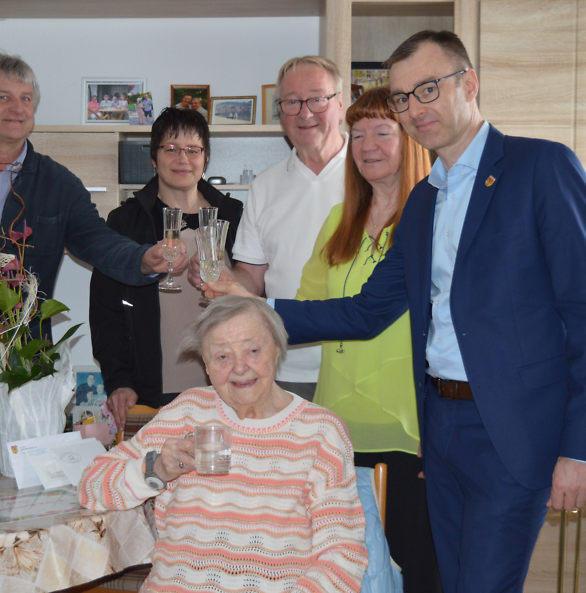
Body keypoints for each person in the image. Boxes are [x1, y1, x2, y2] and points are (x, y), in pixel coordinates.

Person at [210, 30, 586, 593]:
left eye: (429, 88)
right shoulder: (425, 200)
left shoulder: (540, 167)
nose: (416, 108)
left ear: (470, 84)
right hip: (440, 430)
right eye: (404, 97)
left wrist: (578, 449)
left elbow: (581, 311)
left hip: (512, 431)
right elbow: (366, 312)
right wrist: (253, 307)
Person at [79, 296, 367, 593]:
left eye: (253, 350)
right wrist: (157, 469)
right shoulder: (187, 411)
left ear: (277, 349)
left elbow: (342, 556)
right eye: (222, 356)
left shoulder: (320, 432)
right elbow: (91, 485)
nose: (240, 367)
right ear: (205, 364)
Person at [0, 51, 186, 303]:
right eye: (4, 97)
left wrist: (143, 258)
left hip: (20, 349)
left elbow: (99, 242)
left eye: (26, 99)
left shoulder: (59, 184)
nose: (17, 109)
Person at [295, 85, 439, 593]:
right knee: (349, 572)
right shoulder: (339, 221)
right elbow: (309, 309)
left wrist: (439, 432)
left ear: (411, 140)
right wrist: (245, 308)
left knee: (416, 570)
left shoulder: (433, 221)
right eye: (357, 135)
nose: (367, 146)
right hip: (338, 429)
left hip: (411, 430)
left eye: (382, 132)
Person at [188, 55, 347, 402]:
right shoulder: (264, 185)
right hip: (283, 369)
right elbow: (252, 277)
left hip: (360, 367)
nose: (305, 113)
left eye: (317, 99)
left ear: (340, 103)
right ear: (280, 111)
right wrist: (224, 279)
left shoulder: (372, 173)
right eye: (291, 102)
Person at [91, 107, 243, 429]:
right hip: (152, 390)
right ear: (153, 157)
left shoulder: (234, 215)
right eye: (171, 148)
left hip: (229, 386)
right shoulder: (125, 222)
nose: (182, 158)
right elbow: (106, 312)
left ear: (206, 158)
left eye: (193, 150)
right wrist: (119, 381)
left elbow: (255, 297)